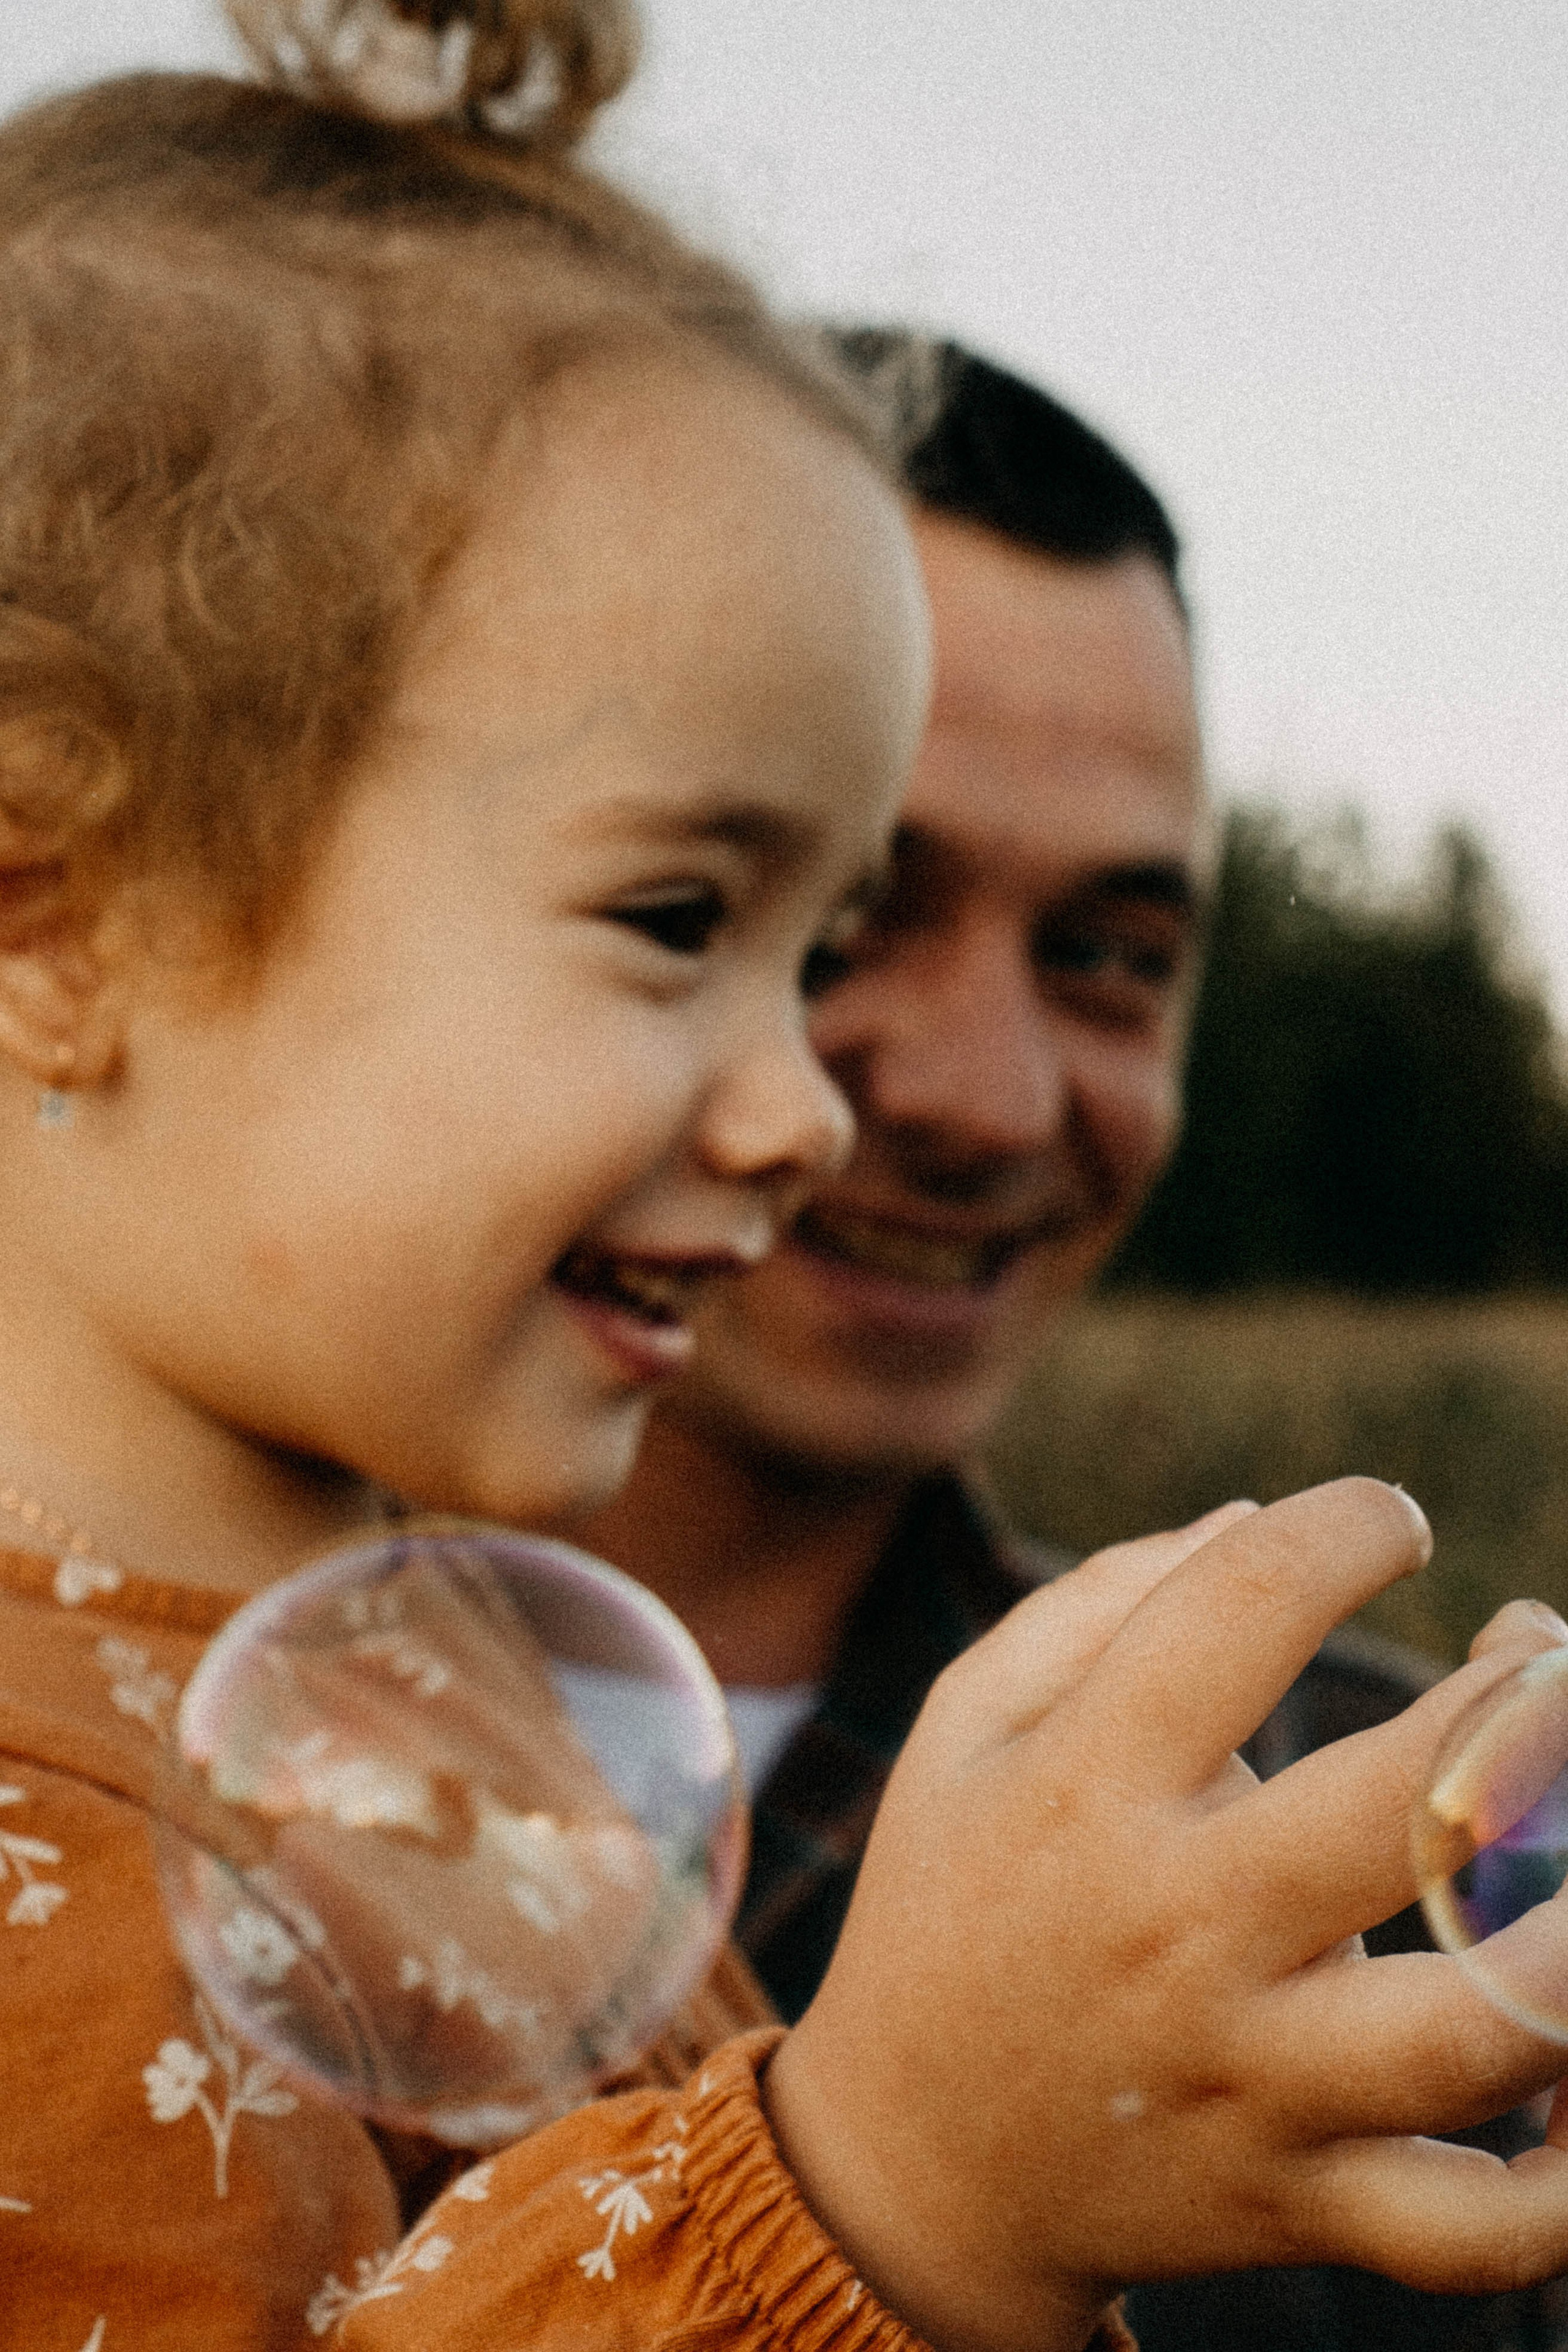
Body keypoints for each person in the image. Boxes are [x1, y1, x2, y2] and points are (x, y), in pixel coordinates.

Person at [3, 9, 1568, 2350]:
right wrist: (886, 2190)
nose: (835, 1096)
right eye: (677, 920)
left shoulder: (468, 1730)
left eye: (1117, 954)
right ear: (60, 914)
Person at [578, 344, 1564, 2351]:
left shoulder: (1377, 1839)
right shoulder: (73, 1791)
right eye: (841, 915)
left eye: (1110, 959)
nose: (992, 1096)